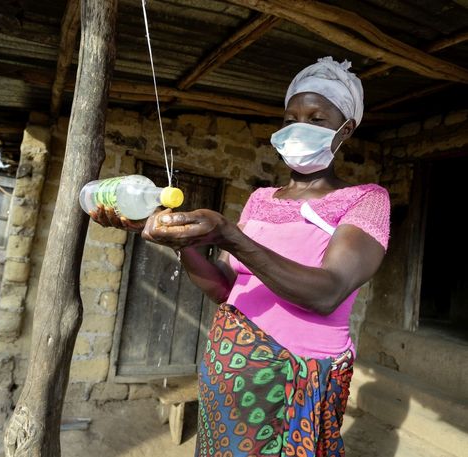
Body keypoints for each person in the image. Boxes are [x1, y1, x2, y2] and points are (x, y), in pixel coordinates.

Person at [91, 56, 390, 457]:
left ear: (345, 129)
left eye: (316, 119)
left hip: (291, 389)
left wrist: (230, 236)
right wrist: (184, 243)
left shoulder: (365, 201)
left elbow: (327, 292)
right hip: (227, 383)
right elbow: (226, 289)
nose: (299, 128)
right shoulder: (261, 199)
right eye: (290, 118)